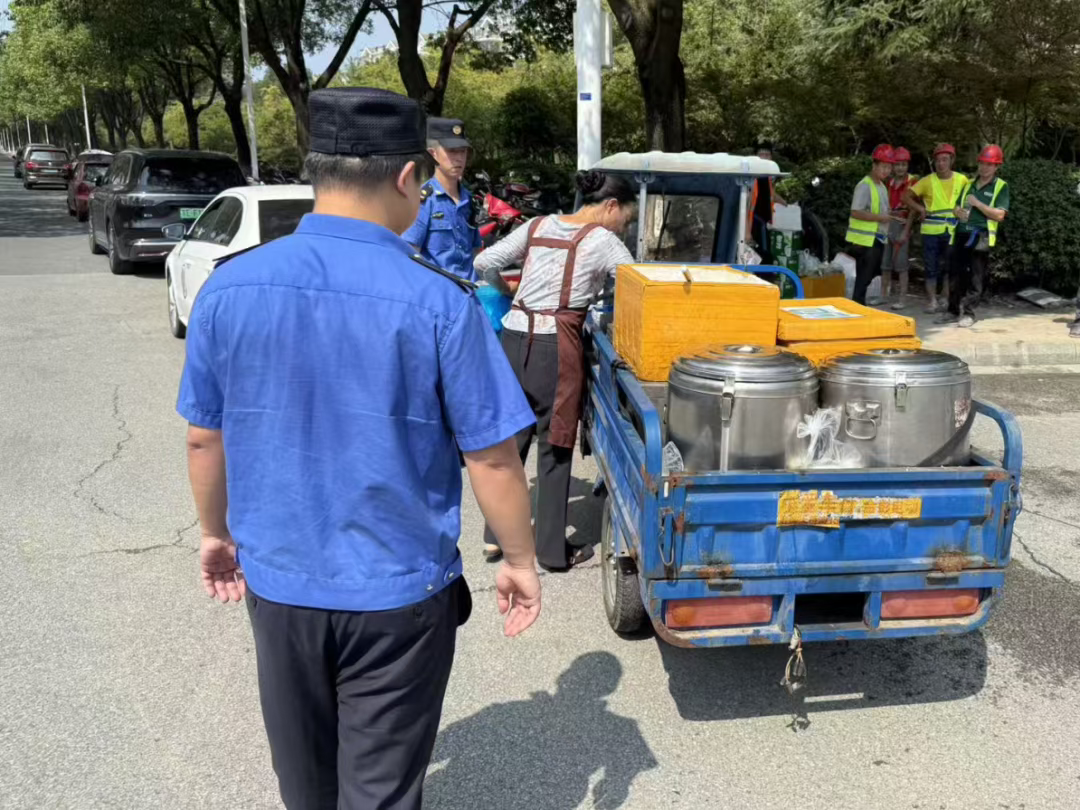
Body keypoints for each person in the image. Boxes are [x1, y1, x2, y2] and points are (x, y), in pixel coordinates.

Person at [177, 87, 542, 810]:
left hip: (281, 585)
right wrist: (521, 561)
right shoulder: (440, 300)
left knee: (306, 784)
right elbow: (493, 457)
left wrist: (215, 535)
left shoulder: (229, 287)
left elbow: (203, 435)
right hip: (398, 595)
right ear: (407, 176)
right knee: (380, 794)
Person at [475, 169, 637, 571]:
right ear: (611, 206)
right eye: (627, 217)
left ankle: (496, 537)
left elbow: (484, 261)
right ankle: (550, 551)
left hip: (513, 339)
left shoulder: (539, 224)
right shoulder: (604, 241)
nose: (625, 226)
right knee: (555, 445)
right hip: (555, 348)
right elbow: (639, 287)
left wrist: (507, 290)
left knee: (513, 440)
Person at [402, 116, 482, 281]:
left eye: (463, 151)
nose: (459, 158)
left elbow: (474, 252)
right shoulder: (424, 201)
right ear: (433, 154)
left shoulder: (469, 200)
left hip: (470, 290)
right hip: (438, 291)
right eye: (452, 151)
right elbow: (411, 254)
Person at [939, 144, 1009, 328]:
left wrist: (978, 204)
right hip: (961, 234)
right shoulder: (968, 184)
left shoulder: (1000, 186)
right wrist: (958, 212)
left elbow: (1000, 215)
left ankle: (969, 313)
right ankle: (953, 310)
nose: (984, 167)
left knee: (976, 277)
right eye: (982, 163)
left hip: (980, 236)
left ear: (996, 166)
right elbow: (956, 207)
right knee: (955, 274)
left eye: (989, 164)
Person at [904, 143, 969, 313]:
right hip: (931, 232)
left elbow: (969, 199)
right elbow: (906, 196)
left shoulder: (962, 180)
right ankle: (932, 301)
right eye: (938, 160)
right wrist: (920, 209)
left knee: (949, 267)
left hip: (951, 230)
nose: (941, 163)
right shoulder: (927, 181)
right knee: (930, 267)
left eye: (945, 160)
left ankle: (945, 298)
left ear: (951, 160)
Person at [846, 144, 899, 306]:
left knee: (867, 276)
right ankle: (857, 306)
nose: (886, 171)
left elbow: (881, 211)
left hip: (876, 238)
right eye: (883, 166)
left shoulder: (881, 186)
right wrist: (881, 218)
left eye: (889, 167)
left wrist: (891, 215)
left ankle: (858, 305)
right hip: (864, 240)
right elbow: (856, 211)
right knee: (864, 277)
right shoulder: (865, 185)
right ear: (874, 165)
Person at [880, 146, 918, 310]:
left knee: (902, 265)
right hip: (888, 223)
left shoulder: (912, 182)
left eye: (903, 164)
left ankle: (902, 299)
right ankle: (884, 296)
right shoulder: (889, 182)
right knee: (885, 263)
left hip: (902, 223)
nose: (900, 168)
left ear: (907, 165)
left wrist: (906, 231)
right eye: (897, 164)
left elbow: (914, 210)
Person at [747, 141, 788, 263]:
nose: (764, 157)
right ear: (755, 156)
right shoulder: (752, 175)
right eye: (761, 154)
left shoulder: (768, 175)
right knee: (762, 252)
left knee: (763, 250)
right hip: (755, 220)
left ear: (771, 157)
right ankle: (764, 272)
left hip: (765, 220)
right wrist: (747, 230)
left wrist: (785, 203)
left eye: (767, 154)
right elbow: (747, 203)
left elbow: (771, 194)